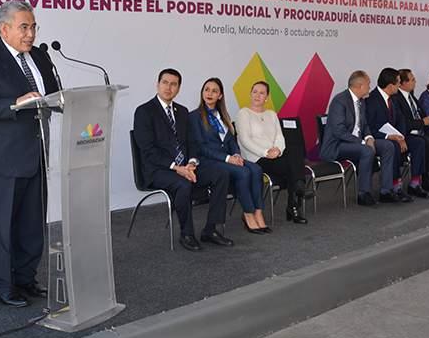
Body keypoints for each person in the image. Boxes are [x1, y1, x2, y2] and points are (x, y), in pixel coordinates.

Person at [0, 0, 58, 307]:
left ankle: (25, 279)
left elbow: (52, 93)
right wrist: (14, 103)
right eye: (24, 27)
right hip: (0, 161)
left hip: (35, 154)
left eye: (33, 26)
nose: (30, 33)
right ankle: (1, 286)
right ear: (4, 28)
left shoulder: (40, 57)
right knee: (1, 227)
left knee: (32, 226)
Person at [133, 69, 234, 251]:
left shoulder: (182, 112)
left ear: (178, 88)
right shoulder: (144, 111)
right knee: (183, 184)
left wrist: (192, 163)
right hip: (158, 170)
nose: (168, 87)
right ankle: (186, 234)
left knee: (221, 173)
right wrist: (176, 168)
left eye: (173, 84)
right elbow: (148, 150)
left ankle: (210, 230)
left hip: (185, 167)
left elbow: (191, 143)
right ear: (157, 84)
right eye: (165, 82)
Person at [190, 78, 269, 234]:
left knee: (256, 169)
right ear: (202, 93)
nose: (209, 93)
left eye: (214, 91)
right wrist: (228, 158)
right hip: (210, 161)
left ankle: (258, 212)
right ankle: (248, 215)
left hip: (229, 158)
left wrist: (236, 154)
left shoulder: (223, 115)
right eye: (207, 89)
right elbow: (201, 148)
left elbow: (231, 140)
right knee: (244, 172)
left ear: (220, 96)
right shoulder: (194, 116)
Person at [236, 81, 311, 224]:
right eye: (255, 91)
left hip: (275, 155)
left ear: (267, 97)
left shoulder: (271, 114)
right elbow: (245, 140)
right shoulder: (243, 113)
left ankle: (297, 194)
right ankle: (295, 203)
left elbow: (279, 136)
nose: (257, 95)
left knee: (293, 150)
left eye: (262, 93)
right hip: (257, 158)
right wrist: (266, 152)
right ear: (250, 94)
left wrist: (278, 149)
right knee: (293, 167)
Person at [319, 70, 397, 206]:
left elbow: (365, 124)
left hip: (357, 142)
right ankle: (363, 193)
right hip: (338, 145)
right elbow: (339, 131)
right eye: (368, 84)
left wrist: (369, 137)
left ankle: (386, 191)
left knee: (387, 146)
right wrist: (363, 142)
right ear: (359, 86)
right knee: (367, 150)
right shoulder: (339, 101)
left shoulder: (361, 101)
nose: (370, 87)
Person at [365, 68, 428, 200]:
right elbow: (369, 127)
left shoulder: (392, 98)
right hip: (379, 138)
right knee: (393, 145)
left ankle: (415, 183)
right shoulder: (372, 99)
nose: (400, 85)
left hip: (396, 137)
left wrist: (401, 137)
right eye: (398, 83)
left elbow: (401, 120)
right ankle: (395, 186)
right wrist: (391, 137)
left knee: (419, 142)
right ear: (390, 86)